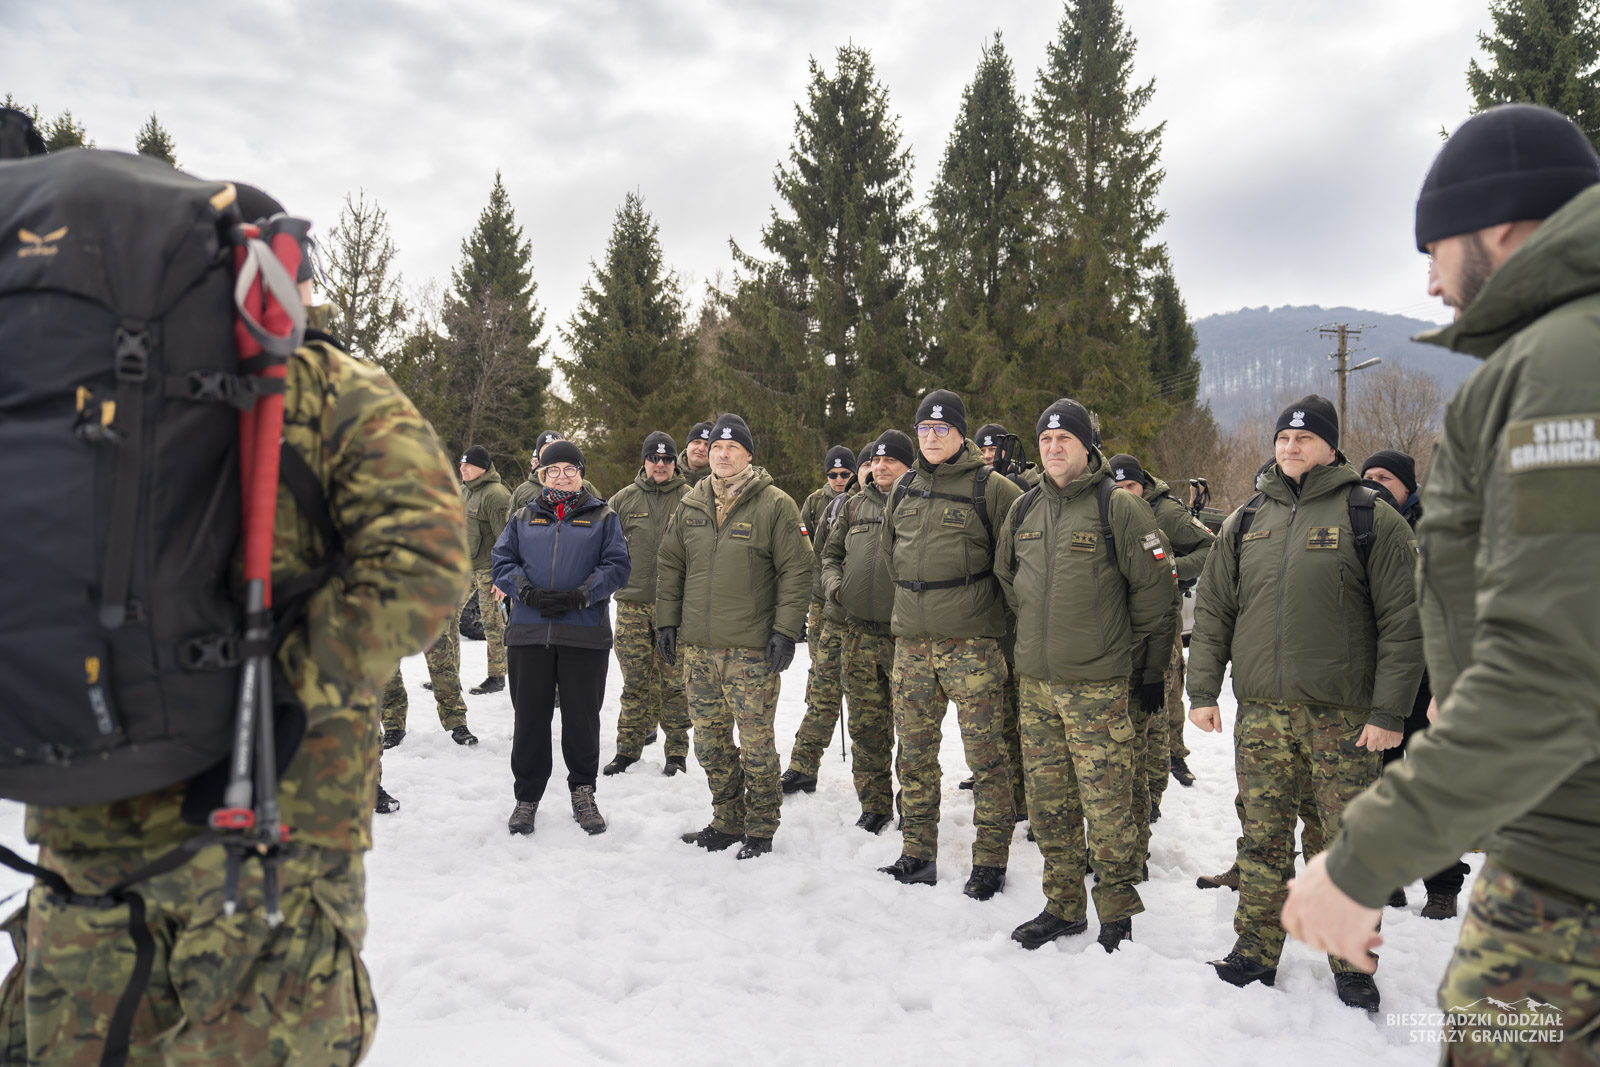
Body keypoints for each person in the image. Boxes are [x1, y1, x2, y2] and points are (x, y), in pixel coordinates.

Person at [0, 179, 470, 1063]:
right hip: (270, 823)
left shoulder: (47, 382)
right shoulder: (319, 379)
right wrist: (289, 685)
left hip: (84, 812)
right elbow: (430, 554)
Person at [1284, 104, 1600, 1061]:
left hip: (1569, 869)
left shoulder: (1566, 363)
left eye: (1436, 247)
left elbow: (1548, 671)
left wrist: (1364, 855)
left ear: (1500, 224)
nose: (1429, 279)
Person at [1186, 394, 1422, 1012]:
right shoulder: (1245, 520)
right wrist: (1203, 691)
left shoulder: (1371, 518)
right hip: (1262, 713)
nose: (1291, 449)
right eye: (1283, 440)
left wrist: (1389, 713)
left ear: (1330, 446)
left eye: (1305, 439)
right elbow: (1213, 611)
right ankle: (1254, 951)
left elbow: (1404, 624)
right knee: (1261, 838)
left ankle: (1351, 961)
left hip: (1343, 718)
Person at [996, 403, 1176, 953]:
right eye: (1045, 438)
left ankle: (1117, 916)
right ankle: (1063, 906)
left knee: (1109, 805)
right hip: (1037, 687)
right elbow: (1008, 581)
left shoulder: (1116, 508)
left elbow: (1156, 596)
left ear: (1086, 446)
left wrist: (1135, 664)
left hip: (1098, 688)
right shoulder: (1024, 508)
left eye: (1064, 439)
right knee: (1050, 804)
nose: (1053, 447)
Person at [877, 389, 1022, 899]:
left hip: (972, 647)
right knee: (914, 755)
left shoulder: (993, 488)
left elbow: (1015, 566)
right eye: (924, 429)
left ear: (961, 433)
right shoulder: (906, 486)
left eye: (942, 429)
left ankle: (990, 861)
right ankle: (917, 854)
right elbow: (891, 551)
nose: (932, 437)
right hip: (912, 646)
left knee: (987, 757)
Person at [656, 414, 812, 860]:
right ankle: (727, 819)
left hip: (751, 650)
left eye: (732, 448)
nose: (722, 455)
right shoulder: (690, 504)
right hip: (699, 650)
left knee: (756, 742)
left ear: (748, 455)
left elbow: (797, 570)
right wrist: (667, 621)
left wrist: (785, 630)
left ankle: (761, 827)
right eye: (716, 448)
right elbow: (671, 566)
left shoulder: (776, 504)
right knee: (708, 742)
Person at [491, 440, 630, 836]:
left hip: (583, 633)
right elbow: (502, 561)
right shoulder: (522, 517)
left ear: (582, 474)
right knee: (530, 718)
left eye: (571, 469)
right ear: (542, 476)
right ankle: (527, 797)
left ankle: (583, 791)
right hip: (529, 633)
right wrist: (526, 592)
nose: (563, 476)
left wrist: (582, 594)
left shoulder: (604, 517)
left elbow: (617, 565)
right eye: (554, 470)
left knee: (582, 719)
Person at [1356, 449, 1469, 918]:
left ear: (1408, 486)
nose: (1375, 482)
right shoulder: (1359, 524)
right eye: (1368, 476)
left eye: (1385, 476)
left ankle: (1442, 883)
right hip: (1375, 678)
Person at [1108, 453, 1216, 814]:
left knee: (1163, 701)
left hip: (1162, 623)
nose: (1125, 493)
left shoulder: (1165, 512)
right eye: (1118, 486)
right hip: (1123, 628)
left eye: (1131, 486)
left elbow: (1210, 546)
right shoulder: (1103, 508)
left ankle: (1164, 772)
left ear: (1144, 485)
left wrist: (1170, 572)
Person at [821, 430, 912, 833]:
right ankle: (874, 804)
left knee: (912, 730)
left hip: (905, 637)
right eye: (876, 461)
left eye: (890, 460)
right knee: (866, 727)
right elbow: (830, 555)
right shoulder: (853, 505)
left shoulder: (917, 502)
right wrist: (835, 587)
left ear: (908, 465)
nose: (881, 467)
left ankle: (915, 807)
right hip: (857, 635)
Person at [604, 431, 692, 776]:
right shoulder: (623, 500)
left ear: (674, 463)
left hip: (675, 609)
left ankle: (676, 754)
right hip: (631, 607)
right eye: (654, 458)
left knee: (674, 684)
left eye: (667, 459)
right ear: (643, 461)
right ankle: (628, 749)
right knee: (635, 683)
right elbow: (602, 550)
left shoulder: (691, 498)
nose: (660, 464)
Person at [782, 445, 859, 794]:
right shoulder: (816, 503)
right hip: (823, 605)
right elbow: (812, 553)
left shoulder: (870, 501)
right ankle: (803, 766)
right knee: (821, 686)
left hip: (867, 613)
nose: (840, 480)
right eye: (834, 475)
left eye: (846, 474)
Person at [459, 444, 511, 695]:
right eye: (461, 464)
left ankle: (497, 675)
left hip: (490, 568)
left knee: (492, 624)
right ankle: (448, 674)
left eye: (468, 465)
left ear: (482, 468)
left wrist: (503, 576)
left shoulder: (496, 494)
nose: (462, 469)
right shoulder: (464, 491)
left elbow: (507, 538)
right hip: (465, 566)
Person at [678, 421, 713, 486]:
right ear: (687, 446)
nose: (701, 448)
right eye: (697, 442)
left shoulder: (719, 480)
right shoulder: (670, 474)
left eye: (707, 445)